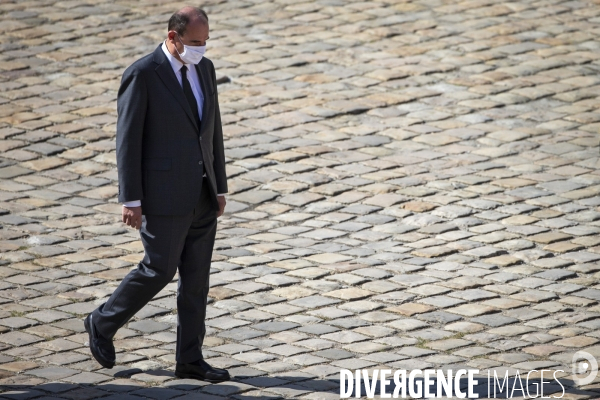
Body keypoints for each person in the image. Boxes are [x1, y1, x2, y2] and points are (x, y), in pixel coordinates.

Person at [84, 6, 229, 383]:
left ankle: (190, 359)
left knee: (196, 280)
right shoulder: (143, 74)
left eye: (206, 42)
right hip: (162, 195)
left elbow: (212, 130)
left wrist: (220, 185)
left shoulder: (205, 69)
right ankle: (102, 321)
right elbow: (127, 140)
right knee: (159, 270)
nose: (201, 49)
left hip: (202, 192)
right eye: (195, 43)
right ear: (172, 37)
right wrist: (130, 198)